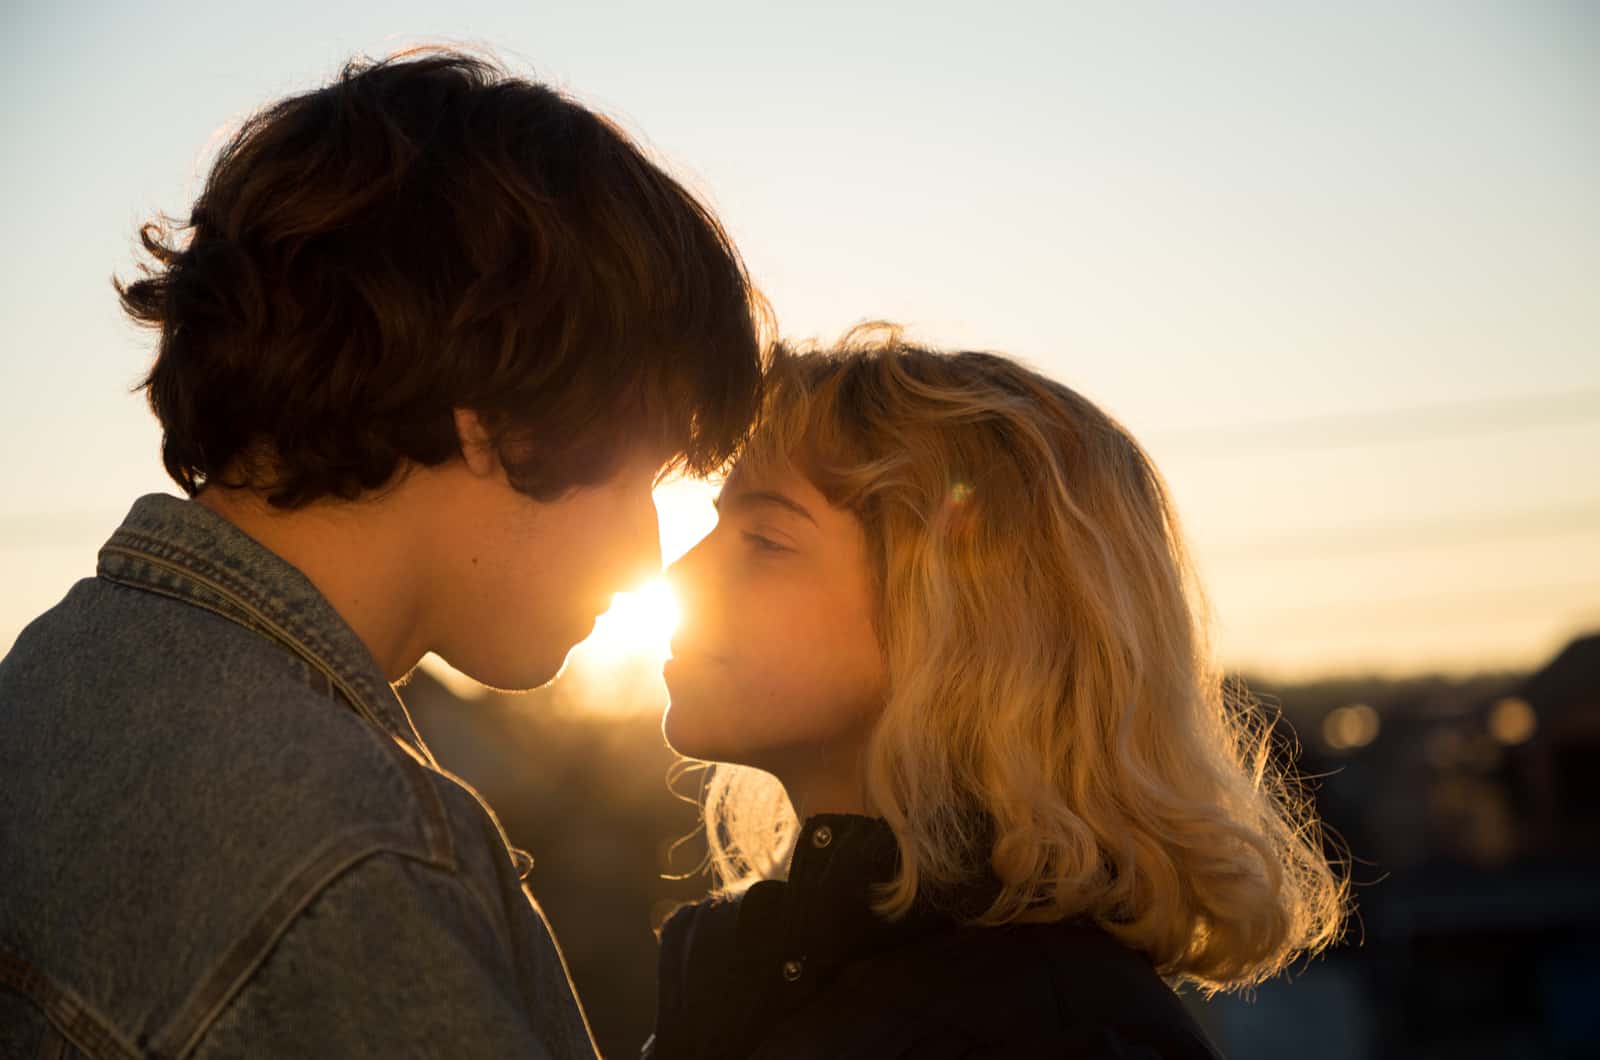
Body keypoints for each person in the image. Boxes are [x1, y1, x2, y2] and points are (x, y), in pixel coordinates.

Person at [0, 49, 766, 1059]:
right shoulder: (357, 862)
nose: (648, 555)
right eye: (635, 471)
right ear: (497, 415)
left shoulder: (58, 679)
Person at [648, 326, 1347, 1059]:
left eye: (765, 540)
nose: (680, 575)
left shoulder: (1061, 1038)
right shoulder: (765, 968)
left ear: (964, 618)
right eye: (715, 526)